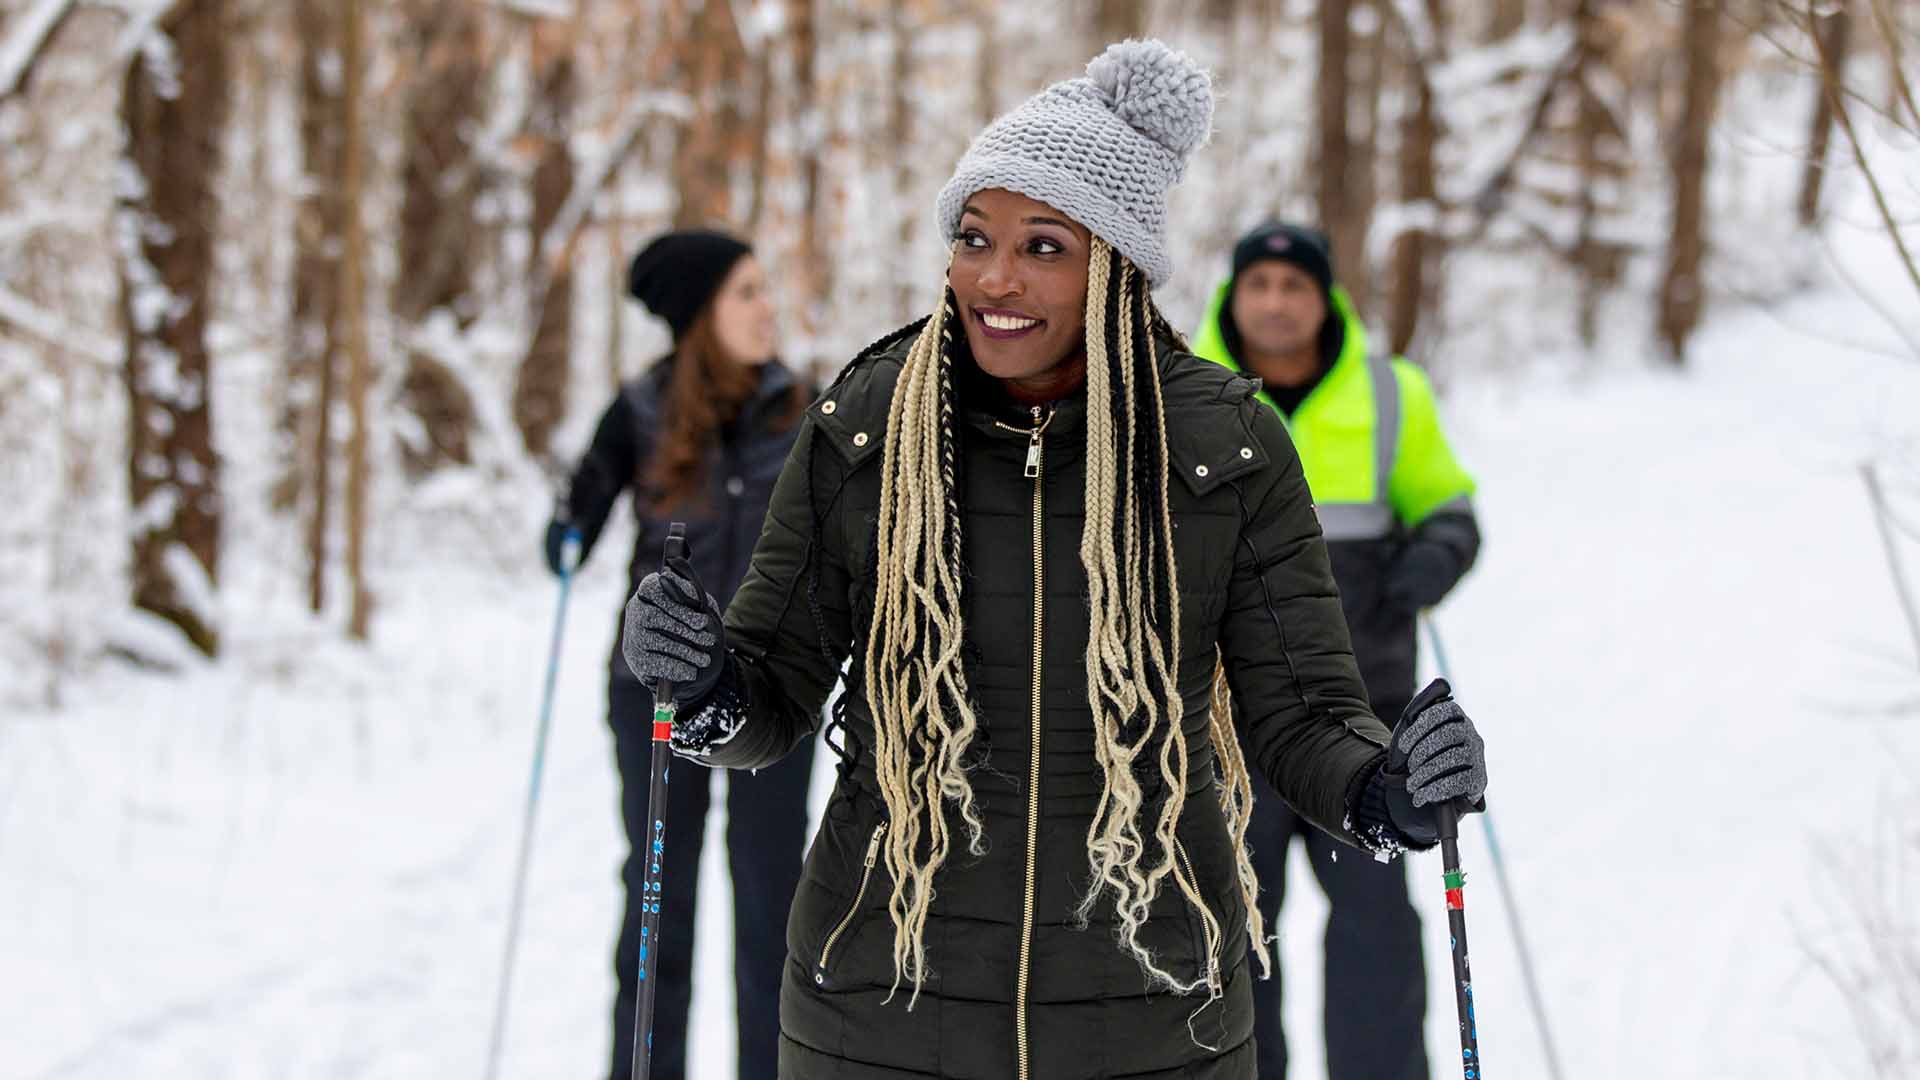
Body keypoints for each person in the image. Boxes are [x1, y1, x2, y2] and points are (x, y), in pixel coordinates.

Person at [621, 41, 1489, 1079]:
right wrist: (707, 680)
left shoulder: (1224, 446)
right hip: (880, 1017)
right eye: (973, 236)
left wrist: (1388, 792)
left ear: (1116, 265)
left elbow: (1301, 716)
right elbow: (772, 697)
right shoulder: (867, 428)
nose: (995, 276)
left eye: (1043, 246)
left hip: (1151, 1016)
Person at [1191, 222, 1483, 1078]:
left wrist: (1434, 554)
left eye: (1295, 286)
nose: (1277, 303)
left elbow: (1451, 509)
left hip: (1367, 729)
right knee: (1233, 937)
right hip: (1225, 733)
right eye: (1261, 285)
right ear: (1234, 297)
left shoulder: (1392, 394)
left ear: (1326, 300)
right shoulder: (1188, 398)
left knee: (1376, 935)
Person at [545, 228, 816, 1080]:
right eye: (747, 292)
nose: (768, 306)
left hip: (771, 696)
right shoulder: (639, 408)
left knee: (772, 912)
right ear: (701, 313)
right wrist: (569, 525)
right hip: (654, 693)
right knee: (659, 906)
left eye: (766, 288)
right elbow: (573, 523)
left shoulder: (804, 409)